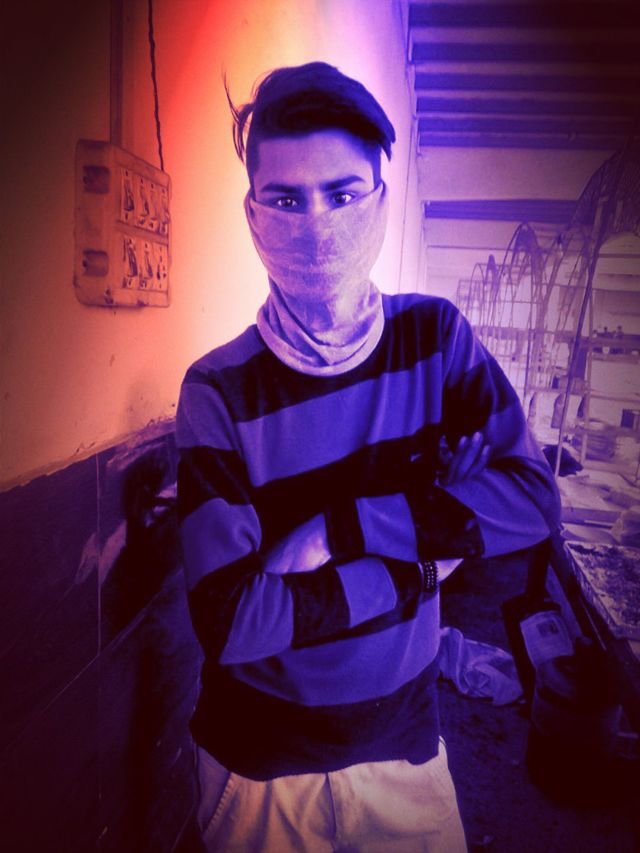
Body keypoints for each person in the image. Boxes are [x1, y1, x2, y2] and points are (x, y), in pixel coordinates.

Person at [176, 62, 561, 852]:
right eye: (287, 199)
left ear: (381, 201)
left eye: (343, 194)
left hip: (403, 753)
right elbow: (235, 622)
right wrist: (423, 560)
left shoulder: (435, 342)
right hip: (258, 775)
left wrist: (339, 529)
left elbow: (530, 499)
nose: (317, 226)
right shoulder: (217, 390)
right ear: (253, 216)